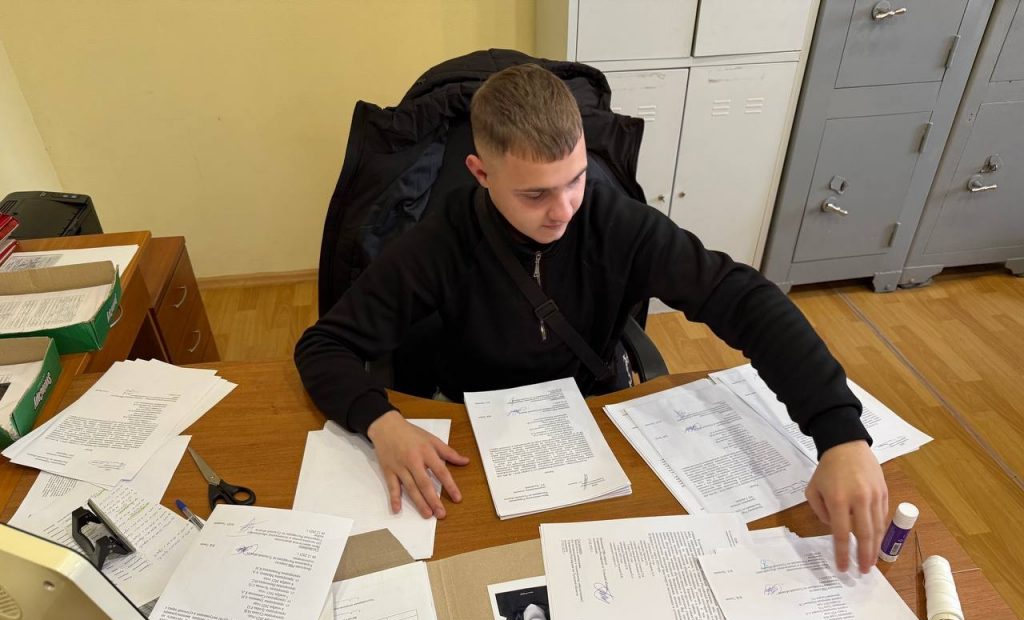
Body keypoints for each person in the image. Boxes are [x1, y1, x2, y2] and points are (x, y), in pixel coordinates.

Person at [295, 63, 889, 573]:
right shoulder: (441, 241)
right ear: (481, 174)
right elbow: (324, 346)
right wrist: (383, 422)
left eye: (575, 179)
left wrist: (840, 434)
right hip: (478, 432)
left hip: (590, 416)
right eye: (535, 195)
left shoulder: (611, 218)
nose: (563, 211)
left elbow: (745, 300)